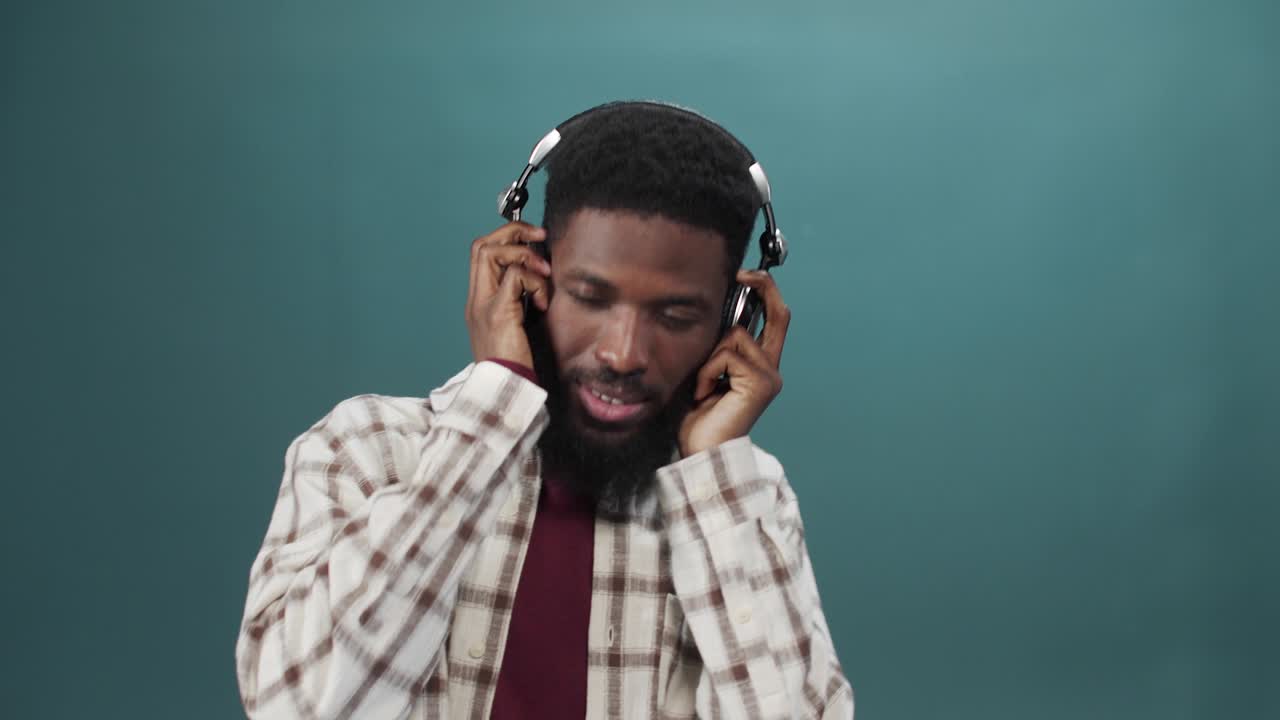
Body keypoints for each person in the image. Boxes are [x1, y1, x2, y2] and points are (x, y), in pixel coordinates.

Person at [235, 102, 853, 719]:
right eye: (590, 298)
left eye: (675, 316)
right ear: (525, 276)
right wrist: (495, 401)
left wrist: (714, 479)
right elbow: (294, 707)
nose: (623, 354)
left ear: (735, 322)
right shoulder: (364, 448)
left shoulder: (743, 499)